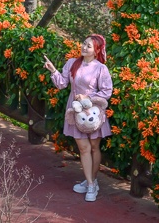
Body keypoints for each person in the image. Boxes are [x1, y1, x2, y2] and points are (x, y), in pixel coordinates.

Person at [44, 34, 113, 202]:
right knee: (83, 148)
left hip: (93, 113)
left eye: (88, 46)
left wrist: (88, 99)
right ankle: (90, 183)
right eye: (83, 44)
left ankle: (92, 182)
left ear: (96, 51)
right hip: (76, 113)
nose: (84, 47)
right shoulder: (72, 63)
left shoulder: (100, 68)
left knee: (95, 148)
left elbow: (106, 91)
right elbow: (61, 84)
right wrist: (53, 70)